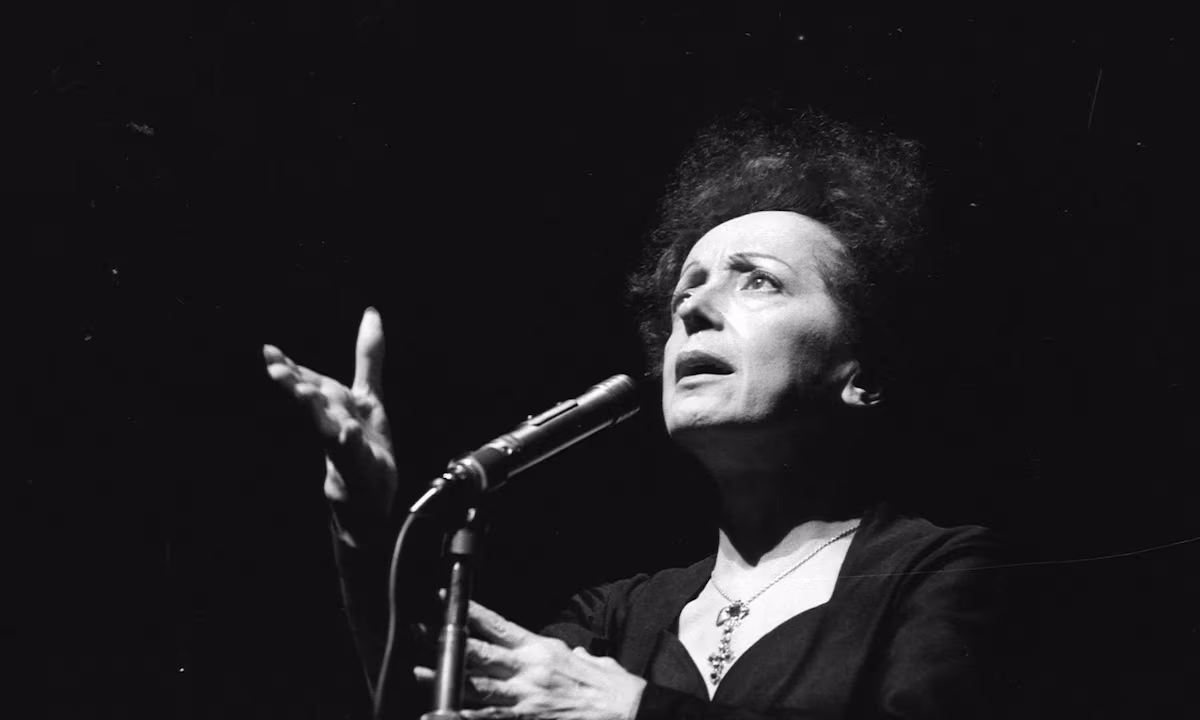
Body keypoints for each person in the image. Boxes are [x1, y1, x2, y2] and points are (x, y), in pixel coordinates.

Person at [264, 110, 1019, 719]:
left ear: (863, 375)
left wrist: (632, 709)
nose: (692, 308)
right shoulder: (619, 617)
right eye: (686, 289)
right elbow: (430, 697)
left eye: (757, 281)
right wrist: (360, 524)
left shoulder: (941, 574)